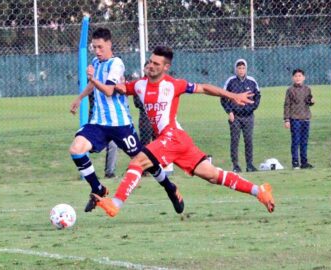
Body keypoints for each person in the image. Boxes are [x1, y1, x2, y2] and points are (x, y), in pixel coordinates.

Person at [93, 46, 275, 217]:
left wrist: (233, 95)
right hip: (178, 140)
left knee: (138, 162)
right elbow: (121, 89)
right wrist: (107, 82)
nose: (151, 66)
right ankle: (260, 191)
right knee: (212, 175)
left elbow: (204, 88)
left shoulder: (174, 85)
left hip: (172, 137)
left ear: (166, 67)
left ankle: (116, 203)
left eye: (156, 64)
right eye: (150, 62)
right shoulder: (140, 85)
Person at [69, 29, 184, 214]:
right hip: (98, 123)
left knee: (146, 161)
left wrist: (92, 78)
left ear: (109, 44)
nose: (97, 51)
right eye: (94, 47)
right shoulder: (95, 62)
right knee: (76, 150)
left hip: (120, 125)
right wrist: (80, 98)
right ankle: (98, 188)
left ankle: (170, 188)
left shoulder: (117, 64)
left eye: (100, 47)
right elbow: (93, 84)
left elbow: (108, 90)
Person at [221, 59, 261, 173]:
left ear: (246, 69)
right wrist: (230, 112)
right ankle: (235, 165)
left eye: (243, 68)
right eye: (239, 68)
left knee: (248, 140)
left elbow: (258, 97)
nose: (241, 70)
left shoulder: (252, 81)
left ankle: (249, 165)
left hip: (248, 117)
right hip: (235, 117)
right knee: (235, 140)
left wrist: (251, 108)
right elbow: (223, 98)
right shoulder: (231, 82)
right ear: (236, 69)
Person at [284, 69, 314, 169]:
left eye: (300, 76)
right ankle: (295, 162)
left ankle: (304, 162)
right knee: (295, 141)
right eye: (296, 76)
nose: (298, 78)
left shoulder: (307, 89)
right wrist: (287, 119)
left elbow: (308, 101)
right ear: (293, 78)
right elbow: (287, 105)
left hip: (305, 118)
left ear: (304, 78)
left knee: (304, 141)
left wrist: (312, 101)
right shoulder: (290, 90)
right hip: (295, 119)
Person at [88, 90, 118, 178]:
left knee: (113, 145)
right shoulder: (93, 84)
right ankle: (89, 173)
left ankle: (109, 172)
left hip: (109, 121)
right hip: (95, 121)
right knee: (87, 147)